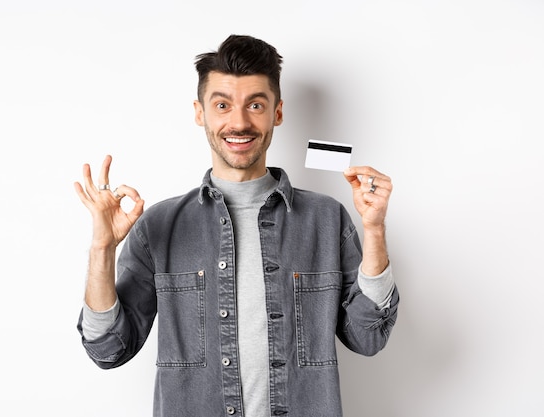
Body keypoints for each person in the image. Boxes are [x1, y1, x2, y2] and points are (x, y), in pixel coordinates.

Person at [74, 34, 399, 417]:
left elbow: (368, 337)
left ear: (277, 113)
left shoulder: (326, 219)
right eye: (223, 105)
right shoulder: (159, 226)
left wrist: (375, 230)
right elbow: (108, 350)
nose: (239, 122)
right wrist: (102, 250)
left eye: (255, 105)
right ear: (200, 113)